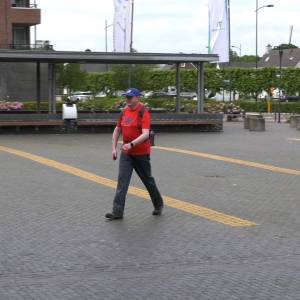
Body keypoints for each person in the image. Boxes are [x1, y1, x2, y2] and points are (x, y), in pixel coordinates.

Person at [105, 88, 164, 220]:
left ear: (137, 98)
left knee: (147, 180)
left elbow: (145, 134)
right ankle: (117, 212)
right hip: (127, 154)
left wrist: (131, 144)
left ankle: (158, 204)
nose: (127, 100)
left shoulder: (143, 112)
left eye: (130, 97)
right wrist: (114, 148)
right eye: (126, 97)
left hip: (141, 153)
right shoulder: (124, 111)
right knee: (122, 182)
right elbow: (117, 130)